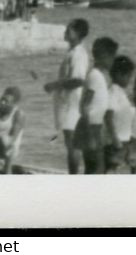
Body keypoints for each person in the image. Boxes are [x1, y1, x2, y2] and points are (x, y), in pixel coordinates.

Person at [42, 18, 90, 174]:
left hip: (73, 103)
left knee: (72, 143)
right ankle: (73, 174)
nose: (65, 32)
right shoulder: (72, 52)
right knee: (70, 142)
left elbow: (78, 80)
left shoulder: (78, 54)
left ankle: (73, 177)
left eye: (69, 30)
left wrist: (54, 85)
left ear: (78, 34)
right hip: (68, 101)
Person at [78, 36, 118, 174]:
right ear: (104, 56)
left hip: (97, 127)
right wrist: (90, 135)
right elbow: (84, 106)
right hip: (91, 128)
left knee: (96, 167)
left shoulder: (99, 76)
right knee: (96, 168)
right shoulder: (94, 76)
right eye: (112, 57)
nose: (113, 61)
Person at [104, 55, 136, 174]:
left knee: (118, 169)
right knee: (112, 169)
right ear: (118, 74)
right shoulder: (113, 91)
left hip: (124, 139)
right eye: (128, 76)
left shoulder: (120, 92)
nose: (129, 79)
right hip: (115, 142)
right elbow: (108, 117)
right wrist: (115, 139)